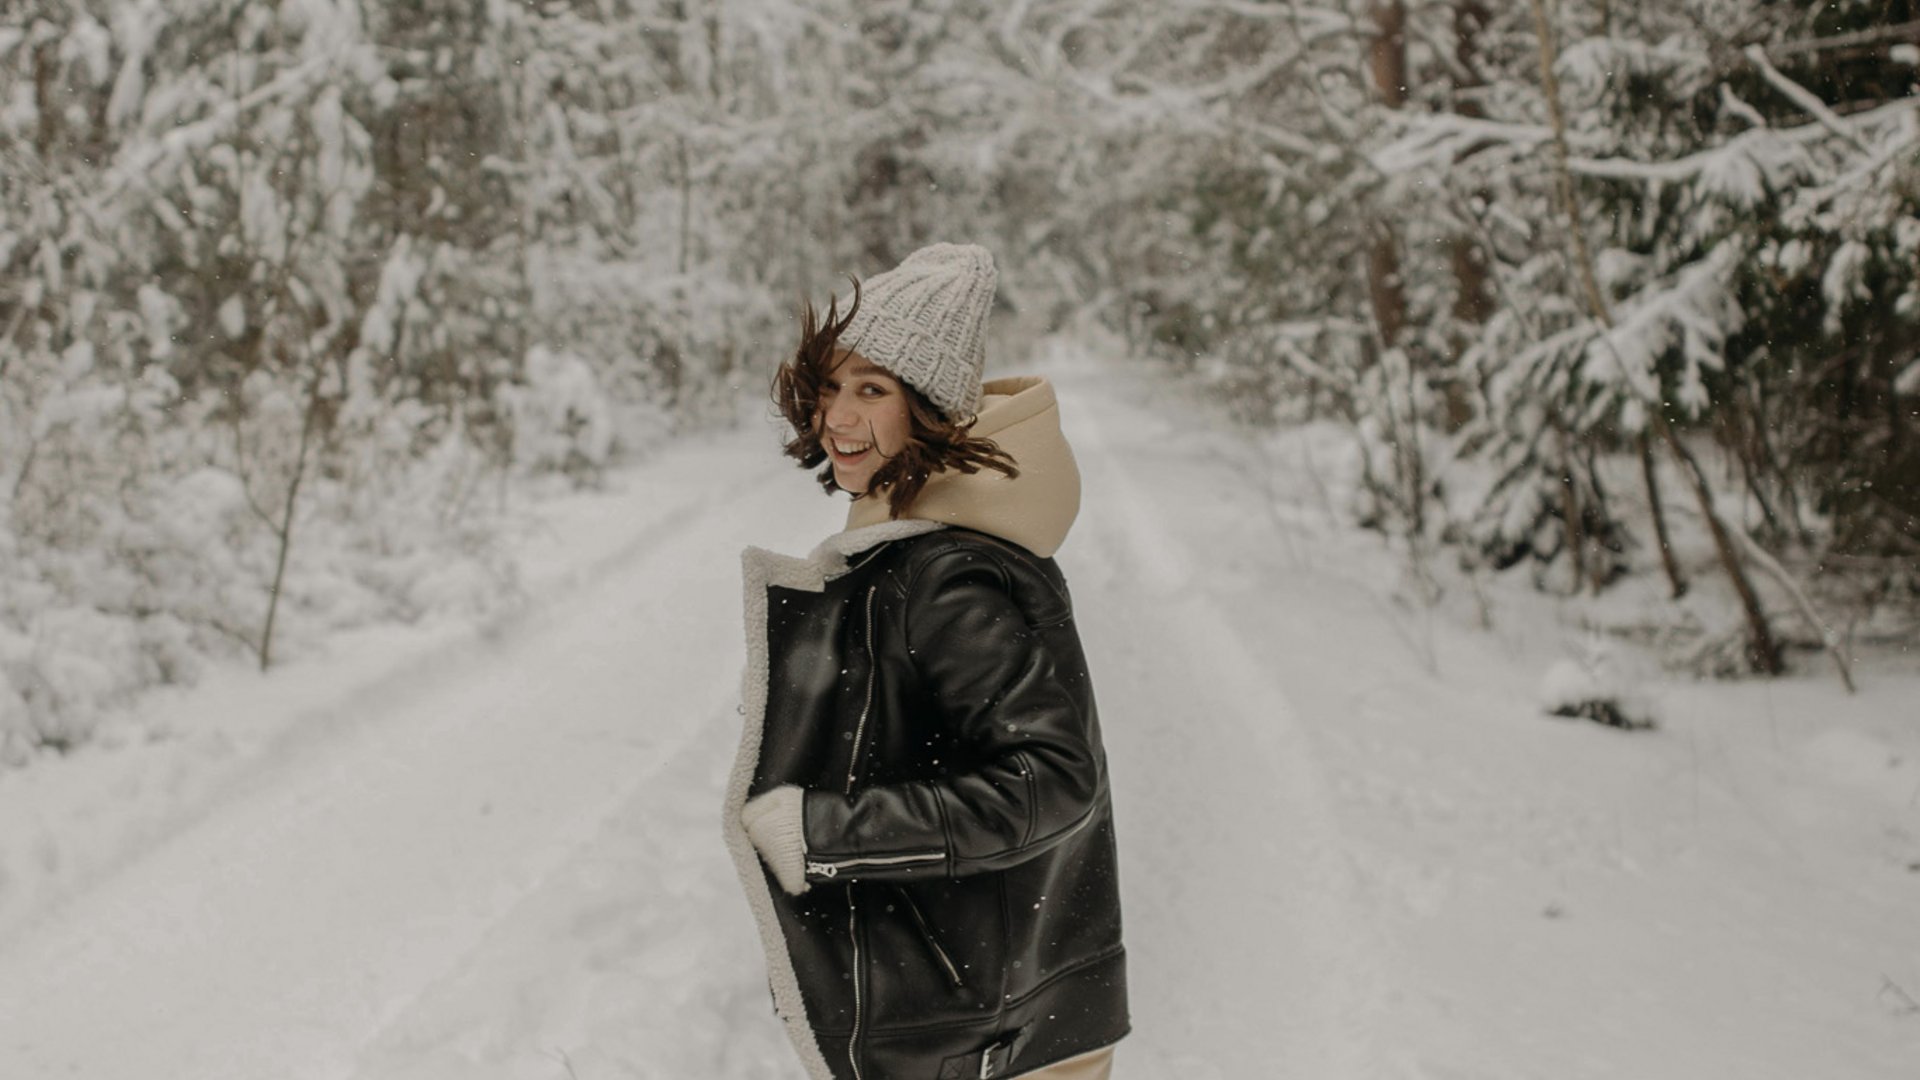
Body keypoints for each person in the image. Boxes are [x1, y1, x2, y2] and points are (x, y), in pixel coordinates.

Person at [722, 243, 1129, 1080]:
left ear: (930, 409)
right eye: (831, 385)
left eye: (873, 389)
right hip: (1004, 1009)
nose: (838, 416)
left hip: (986, 1038)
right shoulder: (919, 549)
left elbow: (1054, 778)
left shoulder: (943, 576)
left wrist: (822, 831)